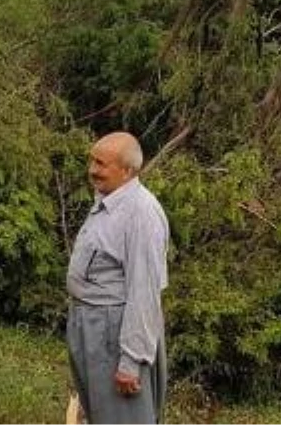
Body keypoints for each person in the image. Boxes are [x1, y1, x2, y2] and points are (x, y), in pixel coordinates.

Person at [66, 132, 171, 424]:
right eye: (92, 161)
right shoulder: (109, 199)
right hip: (91, 325)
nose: (92, 170)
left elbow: (144, 293)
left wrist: (131, 361)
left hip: (115, 332)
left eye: (101, 163)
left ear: (127, 171)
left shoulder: (141, 213)